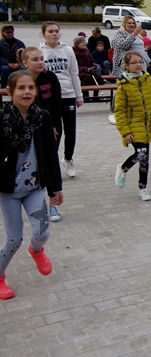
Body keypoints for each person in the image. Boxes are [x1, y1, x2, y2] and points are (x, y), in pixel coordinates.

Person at [0, 71, 64, 300]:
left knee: (42, 232)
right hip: (8, 190)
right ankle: (0, 276)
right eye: (21, 88)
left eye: (31, 88)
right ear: (9, 91)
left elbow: (50, 153)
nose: (27, 92)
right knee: (13, 239)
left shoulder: (43, 117)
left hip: (34, 187)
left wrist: (56, 188)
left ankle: (36, 251)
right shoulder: (2, 117)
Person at [40, 22, 83, 189]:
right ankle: (52, 162)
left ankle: (68, 159)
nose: (54, 34)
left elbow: (74, 73)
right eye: (50, 31)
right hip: (50, 98)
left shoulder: (68, 50)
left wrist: (78, 95)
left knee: (70, 129)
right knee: (54, 131)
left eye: (57, 31)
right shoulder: (41, 51)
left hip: (68, 95)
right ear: (44, 34)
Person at [113, 52, 151, 201]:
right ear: (127, 66)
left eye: (140, 62)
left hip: (148, 127)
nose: (139, 65)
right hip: (134, 127)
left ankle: (142, 188)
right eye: (134, 62)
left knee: (145, 160)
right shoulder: (123, 86)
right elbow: (119, 111)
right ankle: (123, 168)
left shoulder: (148, 80)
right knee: (140, 154)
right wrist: (125, 132)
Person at [19, 47, 62, 145]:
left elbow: (57, 103)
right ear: (25, 63)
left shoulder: (50, 76)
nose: (40, 62)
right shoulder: (20, 78)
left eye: (42, 59)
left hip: (50, 120)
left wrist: (53, 125)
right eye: (35, 59)